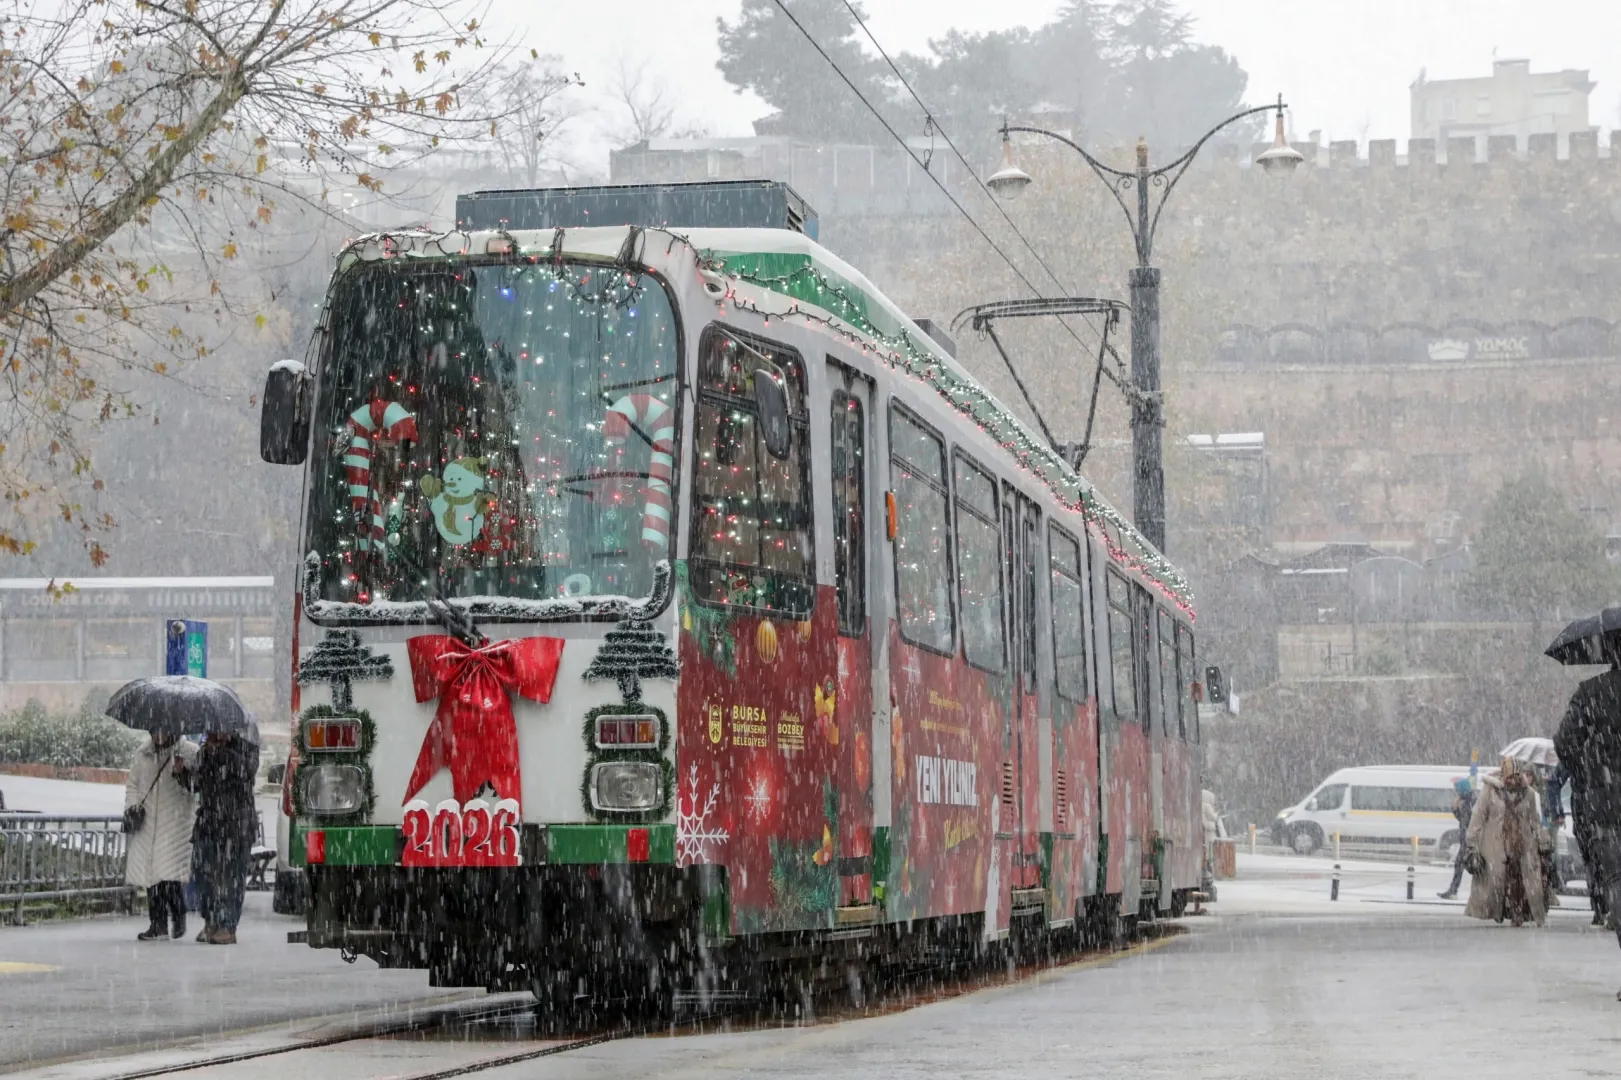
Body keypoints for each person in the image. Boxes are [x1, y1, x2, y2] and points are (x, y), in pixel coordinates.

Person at [1554, 647, 1621, 995]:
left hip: (1606, 805)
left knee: (1616, 880)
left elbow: (1564, 742)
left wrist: (1589, 768)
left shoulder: (1592, 692)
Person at [179, 730, 260, 945]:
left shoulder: (246, 747)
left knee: (232, 877)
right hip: (209, 822)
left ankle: (227, 925)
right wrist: (182, 773)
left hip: (237, 824)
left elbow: (247, 771)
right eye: (211, 730)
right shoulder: (205, 752)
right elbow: (196, 784)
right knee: (202, 872)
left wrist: (223, 752)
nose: (213, 733)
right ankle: (211, 919)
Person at [122, 731, 198, 941]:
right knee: (151, 877)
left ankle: (178, 913)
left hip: (175, 822)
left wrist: (182, 772)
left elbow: (197, 787)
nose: (158, 734)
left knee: (168, 875)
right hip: (148, 822)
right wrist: (132, 806)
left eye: (163, 730)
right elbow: (133, 784)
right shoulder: (144, 753)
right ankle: (158, 925)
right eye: (154, 730)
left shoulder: (189, 752)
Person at [1464, 756, 1550, 928]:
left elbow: (1534, 820)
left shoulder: (1529, 794)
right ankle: (1499, 910)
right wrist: (1471, 841)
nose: (1512, 781)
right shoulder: (1490, 790)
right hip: (1496, 844)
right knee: (1498, 880)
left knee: (1520, 880)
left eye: (1516, 777)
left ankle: (1518, 912)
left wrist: (1544, 841)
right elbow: (1479, 815)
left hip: (1522, 844)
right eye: (1510, 777)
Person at [1438, 777, 1475, 901]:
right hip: (1467, 840)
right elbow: (1462, 819)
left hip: (1472, 841)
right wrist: (1454, 808)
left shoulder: (1471, 801)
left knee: (1472, 866)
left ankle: (1454, 890)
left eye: (1457, 789)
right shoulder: (1466, 800)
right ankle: (1453, 890)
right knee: (1460, 864)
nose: (1456, 792)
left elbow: (1469, 820)